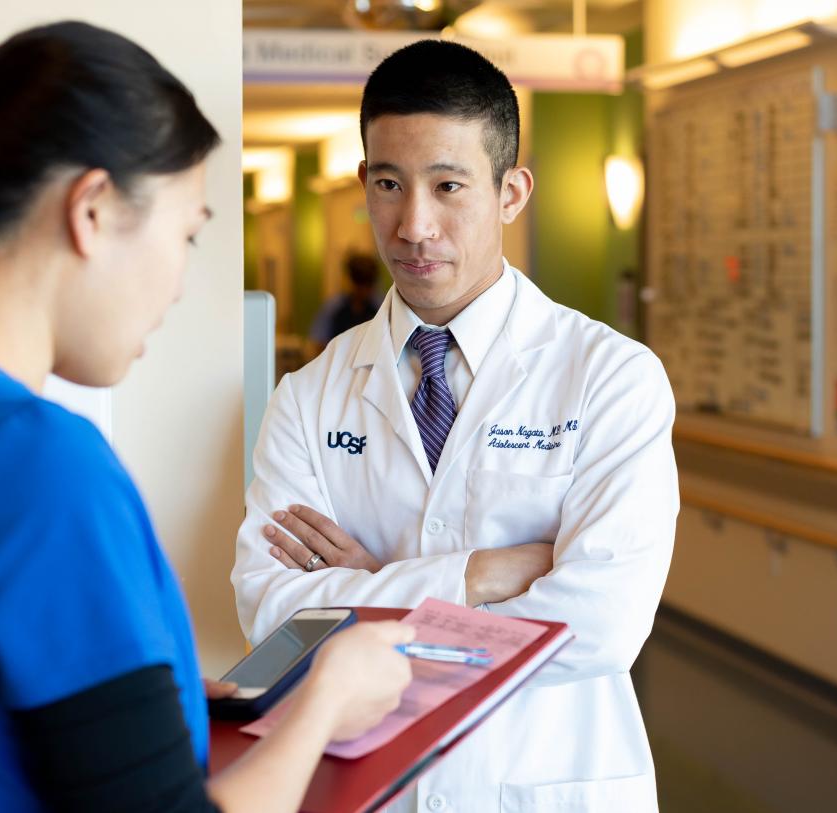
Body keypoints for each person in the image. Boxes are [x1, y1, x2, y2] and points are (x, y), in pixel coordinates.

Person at [0, 21, 414, 813]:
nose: (181, 283)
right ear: (90, 209)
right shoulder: (36, 461)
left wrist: (143, 719)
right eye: (186, 234)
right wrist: (327, 699)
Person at [232, 40, 678, 812]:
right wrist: (479, 575)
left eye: (448, 185)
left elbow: (600, 624)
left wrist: (371, 590)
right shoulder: (309, 395)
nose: (413, 225)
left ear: (511, 192)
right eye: (387, 184)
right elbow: (271, 619)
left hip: (543, 780)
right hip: (363, 786)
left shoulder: (611, 377)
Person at [308, 252, 385, 352]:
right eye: (359, 285)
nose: (363, 291)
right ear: (351, 281)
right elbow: (319, 344)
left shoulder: (381, 308)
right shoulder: (333, 308)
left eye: (368, 285)